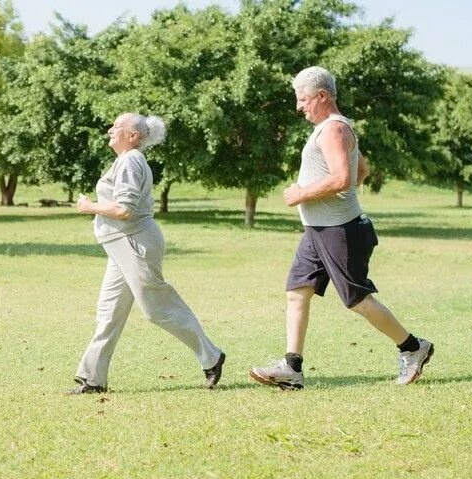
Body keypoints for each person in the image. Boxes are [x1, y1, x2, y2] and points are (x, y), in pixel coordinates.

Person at [248, 66, 434, 390]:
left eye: (303, 99)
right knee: (296, 292)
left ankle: (413, 347)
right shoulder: (333, 128)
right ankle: (292, 368)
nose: (299, 106)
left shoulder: (333, 130)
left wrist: (301, 194)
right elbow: (361, 169)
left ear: (322, 96)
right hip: (317, 230)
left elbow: (343, 178)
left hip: (338, 231)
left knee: (357, 300)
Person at [70, 113, 226, 394]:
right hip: (121, 247)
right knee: (109, 313)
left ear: (133, 136)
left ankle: (212, 356)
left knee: (157, 309)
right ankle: (92, 379)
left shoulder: (131, 160)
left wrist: (89, 207)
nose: (110, 130)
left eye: (116, 127)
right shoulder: (125, 160)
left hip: (134, 244)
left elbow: (124, 209)